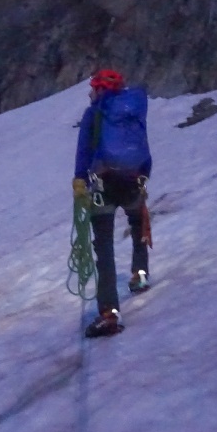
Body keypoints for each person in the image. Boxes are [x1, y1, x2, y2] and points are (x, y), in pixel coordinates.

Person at [73, 69, 153, 338]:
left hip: (103, 186)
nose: (90, 93)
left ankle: (109, 313)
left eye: (92, 88)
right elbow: (143, 146)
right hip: (132, 180)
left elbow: (84, 151)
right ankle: (140, 275)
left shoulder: (94, 114)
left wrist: (79, 182)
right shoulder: (131, 112)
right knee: (137, 223)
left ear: (98, 89)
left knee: (104, 247)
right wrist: (144, 175)